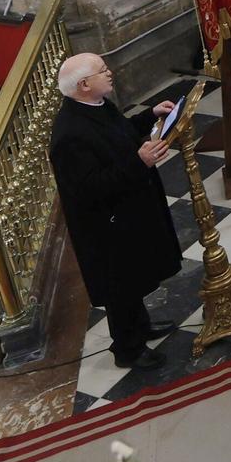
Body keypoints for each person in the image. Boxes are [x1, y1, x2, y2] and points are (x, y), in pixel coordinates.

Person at [49, 53, 183, 371]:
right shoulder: (69, 135)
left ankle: (142, 327)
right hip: (105, 227)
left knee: (134, 278)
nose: (110, 73)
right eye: (102, 70)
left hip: (126, 212)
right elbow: (89, 187)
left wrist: (151, 115)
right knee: (121, 287)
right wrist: (140, 162)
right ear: (84, 85)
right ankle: (128, 349)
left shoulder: (97, 106)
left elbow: (119, 134)